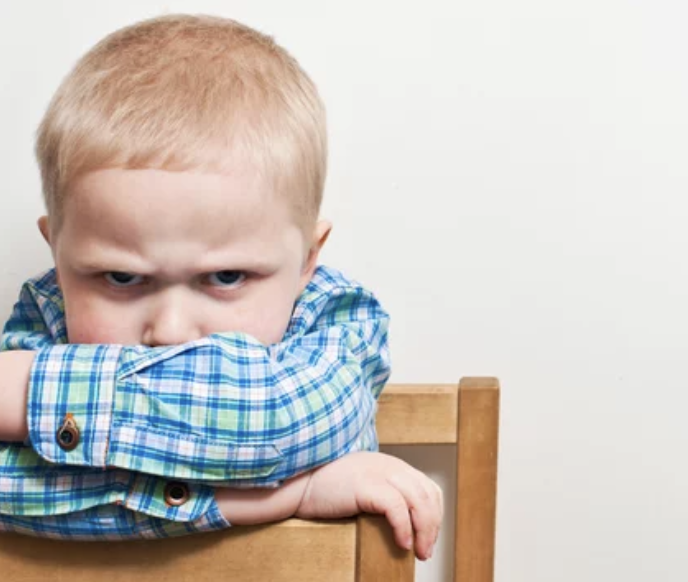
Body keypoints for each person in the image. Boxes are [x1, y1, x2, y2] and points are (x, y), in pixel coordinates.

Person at [0, 14, 441, 561]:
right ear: (57, 252)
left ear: (307, 259)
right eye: (120, 277)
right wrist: (278, 494)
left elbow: (280, 415)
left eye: (227, 278)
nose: (171, 330)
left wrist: (29, 393)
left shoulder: (337, 319)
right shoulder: (43, 318)